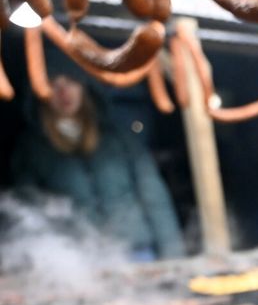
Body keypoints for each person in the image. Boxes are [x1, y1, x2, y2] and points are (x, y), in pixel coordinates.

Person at [12, 57, 184, 261]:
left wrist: (174, 254)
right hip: (77, 261)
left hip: (138, 251)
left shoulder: (119, 138)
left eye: (71, 81)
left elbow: (154, 196)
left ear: (85, 86)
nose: (63, 92)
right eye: (52, 84)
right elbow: (28, 212)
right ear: (39, 93)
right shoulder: (30, 150)